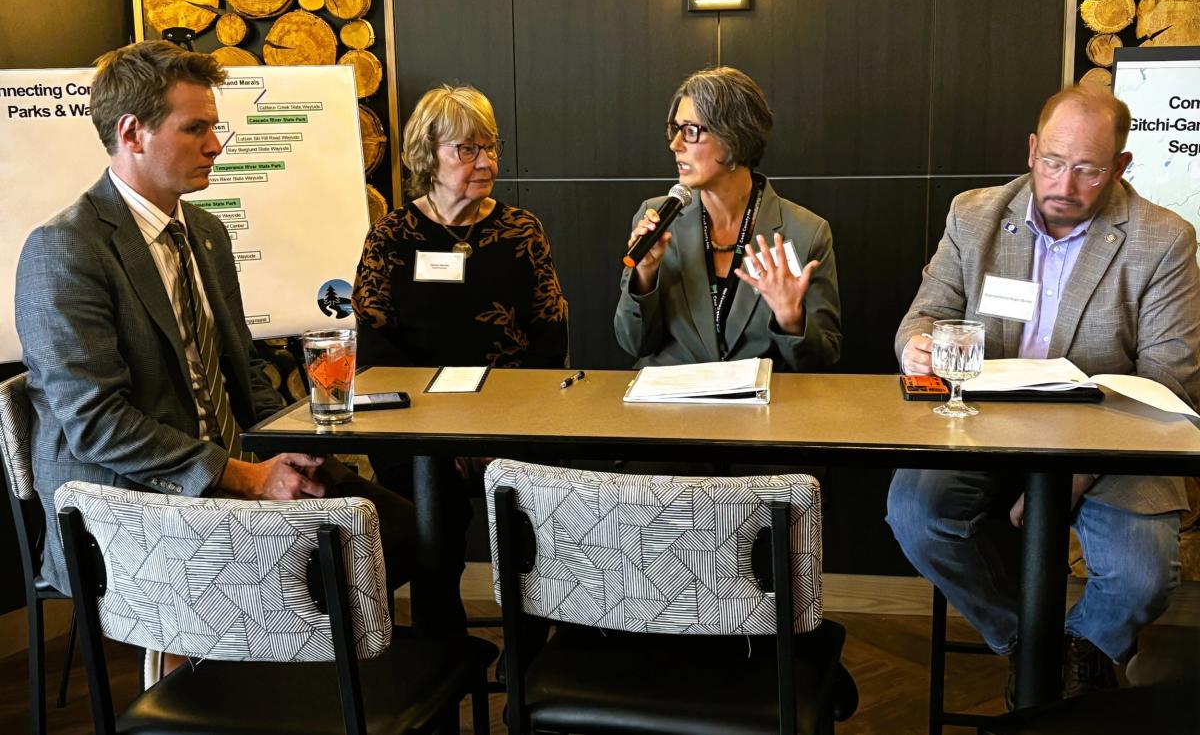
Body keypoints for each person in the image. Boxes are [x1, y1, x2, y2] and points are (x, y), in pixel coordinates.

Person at [15, 41, 416, 601]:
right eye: (195, 129)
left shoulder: (205, 231)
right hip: (133, 506)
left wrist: (290, 445)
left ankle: (308, 647)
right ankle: (255, 648)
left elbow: (241, 366)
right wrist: (247, 478)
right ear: (132, 134)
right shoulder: (65, 250)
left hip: (232, 465)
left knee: (405, 529)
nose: (215, 146)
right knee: (327, 565)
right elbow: (97, 424)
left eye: (214, 127)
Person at [887, 84, 1200, 704]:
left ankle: (1086, 644)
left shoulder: (1164, 240)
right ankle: (1033, 646)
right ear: (1032, 150)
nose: (1064, 184)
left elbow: (1170, 379)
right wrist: (916, 348)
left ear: (1120, 166)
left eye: (1088, 169)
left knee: (1144, 576)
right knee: (916, 517)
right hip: (984, 426)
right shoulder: (973, 215)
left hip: (1113, 437)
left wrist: (1075, 477)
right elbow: (924, 316)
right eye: (1053, 162)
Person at [614, 66, 841, 370]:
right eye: (674, 129)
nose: (675, 145)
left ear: (733, 136)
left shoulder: (806, 232)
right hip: (672, 397)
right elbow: (633, 343)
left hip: (761, 398)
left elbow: (823, 361)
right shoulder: (656, 219)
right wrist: (645, 275)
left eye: (690, 131)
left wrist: (791, 319)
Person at [353, 83, 567, 369]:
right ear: (427, 154)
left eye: (490, 147)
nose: (486, 163)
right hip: (417, 395)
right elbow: (375, 346)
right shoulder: (389, 237)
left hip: (511, 393)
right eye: (467, 149)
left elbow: (550, 335)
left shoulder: (522, 231)